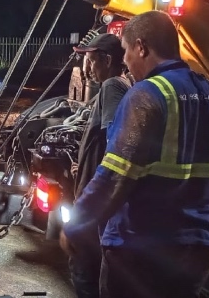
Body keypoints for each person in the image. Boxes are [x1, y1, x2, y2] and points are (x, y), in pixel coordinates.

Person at [60, 10, 209, 298]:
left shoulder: (146, 96)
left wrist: (77, 225)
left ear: (141, 47)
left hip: (137, 249)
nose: (125, 61)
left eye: (126, 51)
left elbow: (115, 175)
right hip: (193, 252)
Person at [68, 33, 132, 298]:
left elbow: (112, 141)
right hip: (99, 197)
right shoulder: (122, 85)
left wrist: (93, 181)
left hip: (95, 202)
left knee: (84, 270)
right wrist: (84, 164)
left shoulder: (112, 86)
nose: (89, 68)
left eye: (93, 61)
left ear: (107, 60)